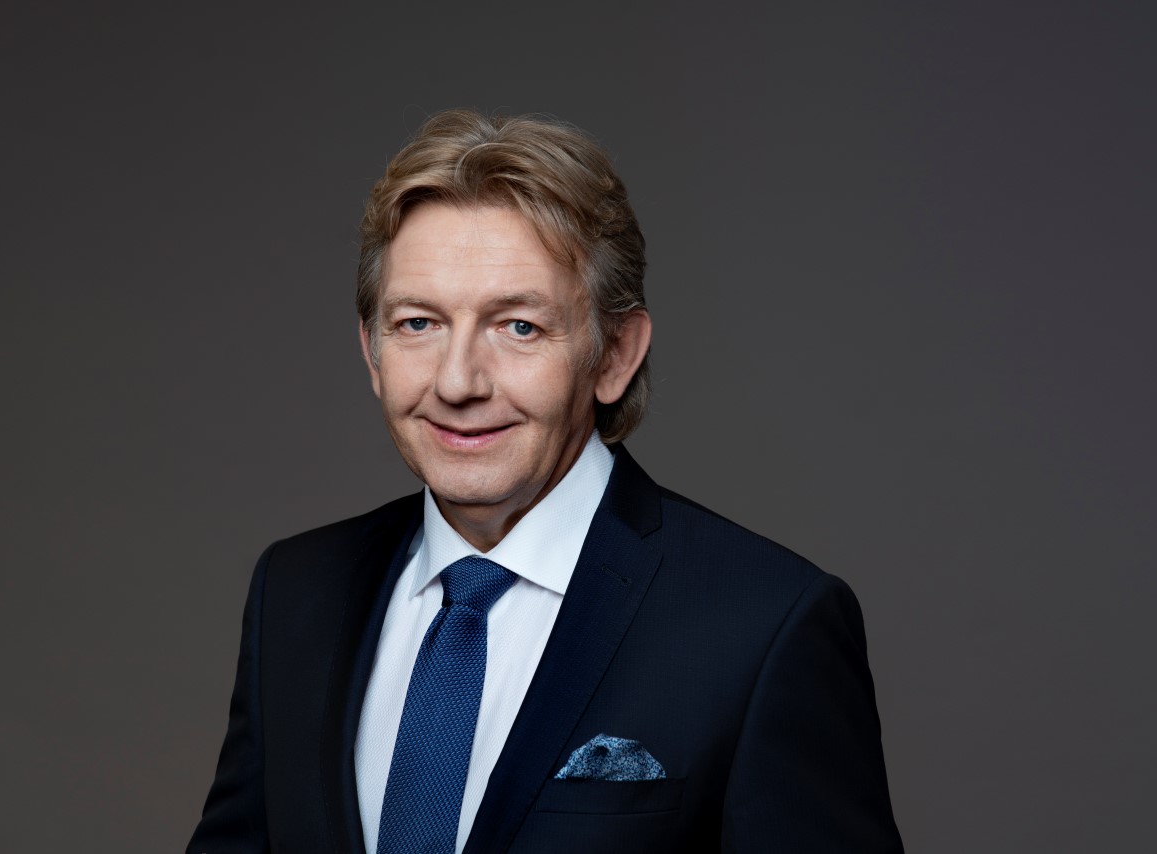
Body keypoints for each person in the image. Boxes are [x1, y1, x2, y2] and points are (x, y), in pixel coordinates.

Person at [186, 109, 903, 853]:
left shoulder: (763, 625)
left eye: (518, 326)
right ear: (372, 351)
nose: (458, 382)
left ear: (614, 354)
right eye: (419, 324)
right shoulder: (296, 594)